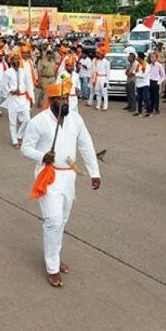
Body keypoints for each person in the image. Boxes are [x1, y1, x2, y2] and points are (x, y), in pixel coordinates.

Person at [21, 81, 101, 287]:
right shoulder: (38, 121)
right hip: (48, 176)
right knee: (53, 221)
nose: (65, 102)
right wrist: (42, 156)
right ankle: (52, 268)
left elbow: (86, 145)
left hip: (69, 178)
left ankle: (54, 257)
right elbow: (25, 148)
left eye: (67, 98)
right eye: (61, 99)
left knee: (62, 221)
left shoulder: (76, 119)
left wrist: (95, 172)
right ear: (51, 100)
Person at [3, 52, 31, 149]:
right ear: (11, 61)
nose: (16, 61)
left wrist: (30, 97)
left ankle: (19, 135)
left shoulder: (23, 71)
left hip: (23, 98)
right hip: (13, 99)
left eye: (17, 59)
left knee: (27, 119)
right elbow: (4, 86)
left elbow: (28, 85)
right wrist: (11, 91)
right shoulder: (7, 72)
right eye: (14, 59)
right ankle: (14, 141)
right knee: (13, 122)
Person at [133, 52, 151, 117]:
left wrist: (136, 75)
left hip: (145, 84)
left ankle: (149, 111)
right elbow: (134, 72)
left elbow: (143, 75)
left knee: (146, 98)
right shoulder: (138, 65)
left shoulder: (147, 65)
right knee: (139, 98)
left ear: (140, 58)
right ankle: (139, 111)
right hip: (138, 84)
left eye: (137, 57)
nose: (137, 58)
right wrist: (137, 74)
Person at [93, 47, 110, 111]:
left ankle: (105, 106)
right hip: (97, 78)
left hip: (103, 78)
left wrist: (107, 81)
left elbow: (108, 72)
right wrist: (94, 79)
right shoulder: (97, 61)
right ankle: (98, 105)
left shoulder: (106, 62)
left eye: (99, 53)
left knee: (104, 93)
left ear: (102, 54)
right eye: (97, 53)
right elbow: (95, 71)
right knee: (97, 92)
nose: (97, 54)